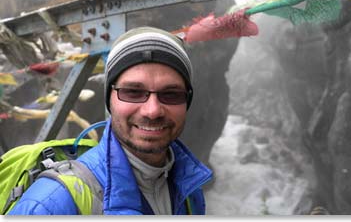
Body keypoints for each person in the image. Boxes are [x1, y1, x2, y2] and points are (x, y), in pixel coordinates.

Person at [8, 27, 213, 215]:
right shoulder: (52, 205)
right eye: (133, 92)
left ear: (187, 101)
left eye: (171, 94)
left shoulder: (189, 190)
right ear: (109, 99)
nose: (152, 111)